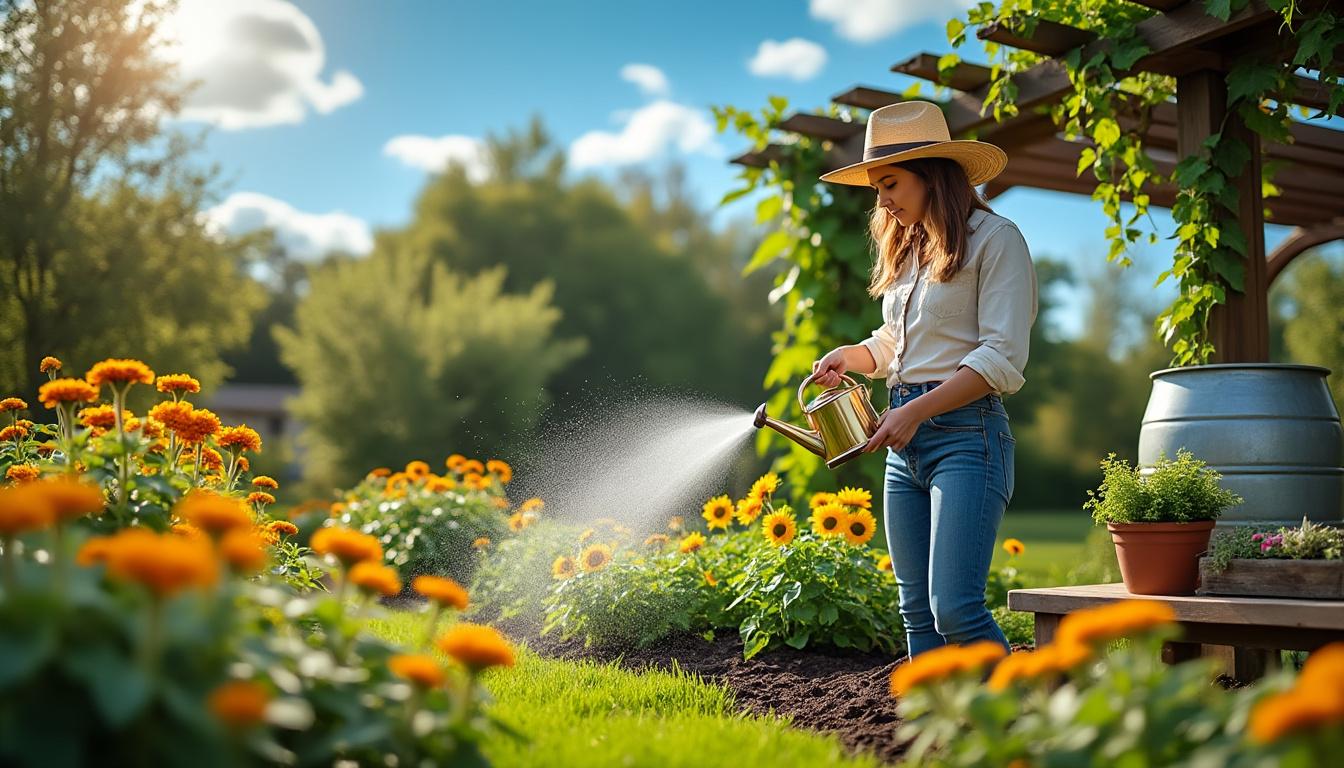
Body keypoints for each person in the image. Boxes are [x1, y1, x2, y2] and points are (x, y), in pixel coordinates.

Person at [811, 100, 1038, 656]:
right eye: (877, 189)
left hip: (966, 437)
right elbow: (897, 343)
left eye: (890, 184)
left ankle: (1016, 729)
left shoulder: (996, 239)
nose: (882, 201)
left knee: (955, 609)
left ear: (931, 174)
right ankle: (933, 738)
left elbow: (1000, 357)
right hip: (903, 444)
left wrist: (915, 411)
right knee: (915, 611)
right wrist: (854, 355)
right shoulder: (912, 247)